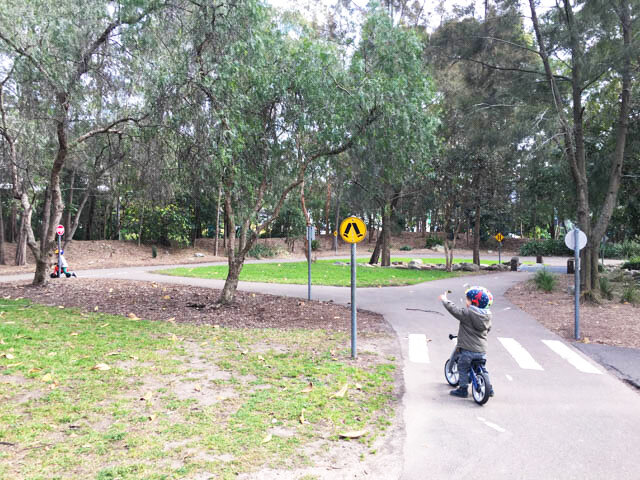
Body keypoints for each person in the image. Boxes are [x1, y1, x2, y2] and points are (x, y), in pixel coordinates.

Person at [439, 286, 493, 398]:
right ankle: (490, 388)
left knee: (462, 367)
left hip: (468, 350)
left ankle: (463, 389)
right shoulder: (487, 316)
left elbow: (454, 310)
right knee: (482, 368)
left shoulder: (467, 314)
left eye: (467, 299)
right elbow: (488, 329)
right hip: (481, 350)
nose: (466, 301)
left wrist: (445, 300)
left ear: (475, 303)